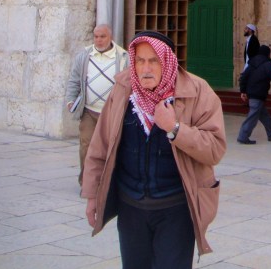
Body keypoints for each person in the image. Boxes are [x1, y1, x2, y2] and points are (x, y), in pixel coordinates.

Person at [81, 30, 226, 268]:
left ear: (167, 60)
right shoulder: (123, 91)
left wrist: (175, 129)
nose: (145, 68)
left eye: (153, 61)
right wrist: (91, 196)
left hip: (176, 209)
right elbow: (100, 146)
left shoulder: (198, 92)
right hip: (131, 207)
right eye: (140, 61)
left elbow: (215, 148)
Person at [65, 24, 129, 184]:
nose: (99, 40)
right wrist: (70, 99)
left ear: (110, 37)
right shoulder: (84, 56)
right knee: (86, 146)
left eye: (103, 37)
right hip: (89, 111)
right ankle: (86, 182)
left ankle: (107, 183)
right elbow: (74, 79)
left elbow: (130, 84)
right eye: (96, 36)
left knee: (110, 147)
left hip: (111, 112)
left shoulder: (123, 57)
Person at [238, 44, 271, 144]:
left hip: (252, 92)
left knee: (264, 116)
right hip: (259, 93)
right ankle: (243, 136)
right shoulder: (267, 64)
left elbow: (243, 77)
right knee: (252, 117)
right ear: (267, 54)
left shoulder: (251, 63)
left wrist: (243, 91)